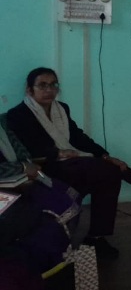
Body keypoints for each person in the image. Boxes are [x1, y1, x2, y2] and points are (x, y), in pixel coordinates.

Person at [7, 67, 131, 260]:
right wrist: (57, 153)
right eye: (42, 85)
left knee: (107, 174)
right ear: (30, 90)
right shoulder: (18, 114)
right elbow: (25, 148)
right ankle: (117, 173)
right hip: (44, 166)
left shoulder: (61, 109)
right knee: (106, 173)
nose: (49, 90)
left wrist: (104, 155)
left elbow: (77, 137)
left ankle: (97, 236)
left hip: (69, 161)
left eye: (53, 85)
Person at [0, 115, 81, 276]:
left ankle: (57, 262)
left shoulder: (2, 122)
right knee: (41, 222)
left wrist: (26, 164)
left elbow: (21, 151)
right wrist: (22, 167)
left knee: (64, 197)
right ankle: (38, 269)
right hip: (8, 186)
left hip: (18, 180)